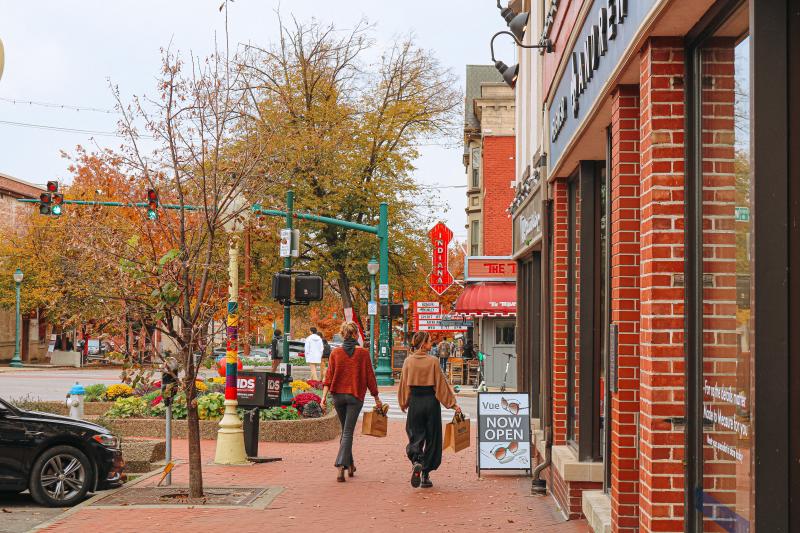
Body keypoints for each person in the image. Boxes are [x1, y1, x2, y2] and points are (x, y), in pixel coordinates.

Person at [398, 331, 462, 489]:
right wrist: (453, 404)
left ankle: (417, 461)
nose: (431, 344)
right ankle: (426, 474)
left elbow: (404, 385)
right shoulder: (433, 361)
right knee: (433, 438)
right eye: (429, 341)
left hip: (415, 402)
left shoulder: (408, 361)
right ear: (423, 343)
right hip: (431, 402)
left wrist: (403, 403)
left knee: (415, 435)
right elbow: (441, 386)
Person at [321, 322, 382, 482]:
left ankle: (351, 465)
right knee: (347, 432)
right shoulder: (363, 353)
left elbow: (328, 377)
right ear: (356, 335)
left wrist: (323, 398)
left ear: (342, 334)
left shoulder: (335, 353)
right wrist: (376, 397)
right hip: (355, 396)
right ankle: (341, 467)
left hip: (338, 396)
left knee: (345, 432)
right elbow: (370, 377)